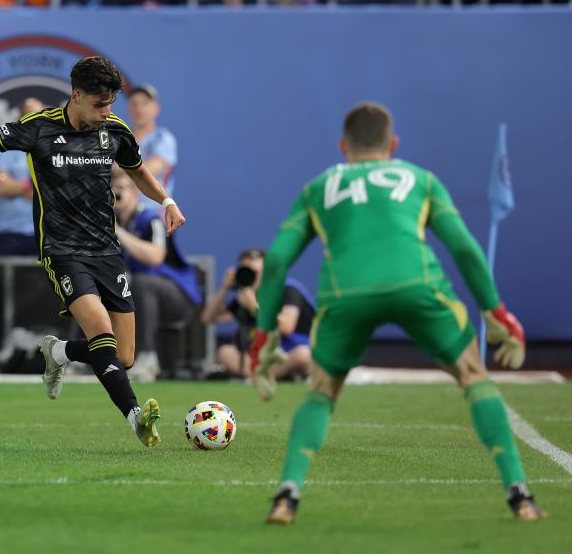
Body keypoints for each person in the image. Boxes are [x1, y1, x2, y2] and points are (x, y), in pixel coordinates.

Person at [252, 102, 545, 524]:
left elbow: (277, 261)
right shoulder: (420, 179)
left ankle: (286, 497)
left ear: (342, 146)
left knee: (321, 391)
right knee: (473, 376)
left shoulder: (320, 186)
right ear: (393, 144)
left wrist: (264, 335)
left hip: (346, 294)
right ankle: (521, 497)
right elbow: (464, 248)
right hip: (418, 286)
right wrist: (495, 310)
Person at [0, 56, 186, 448]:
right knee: (101, 331)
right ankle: (135, 417)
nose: (106, 112)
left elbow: (138, 171)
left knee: (122, 356)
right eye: (99, 104)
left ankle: (58, 351)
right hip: (61, 249)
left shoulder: (115, 131)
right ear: (76, 95)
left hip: (106, 251)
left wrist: (166, 200)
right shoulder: (39, 128)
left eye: (111, 103)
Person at [112, 170, 200, 382]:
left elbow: (155, 257)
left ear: (134, 193)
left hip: (178, 296)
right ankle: (91, 358)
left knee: (142, 283)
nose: (115, 193)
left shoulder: (151, 219)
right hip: (139, 292)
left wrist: (118, 233)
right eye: (111, 189)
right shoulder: (113, 221)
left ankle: (148, 357)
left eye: (120, 189)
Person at [201, 248, 313, 382]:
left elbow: (286, 327)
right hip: (259, 359)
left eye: (256, 272)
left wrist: (254, 308)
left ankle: (258, 376)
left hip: (288, 354)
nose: (252, 277)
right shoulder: (245, 295)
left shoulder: (288, 289)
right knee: (225, 352)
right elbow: (208, 318)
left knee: (303, 355)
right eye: (247, 271)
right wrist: (224, 289)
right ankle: (272, 376)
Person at [0, 98, 40, 256]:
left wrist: (15, 185)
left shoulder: (55, 150)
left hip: (45, 234)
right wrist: (31, 187)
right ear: (20, 119)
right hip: (10, 233)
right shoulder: (7, 149)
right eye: (29, 116)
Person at [127, 84, 176, 211]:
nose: (139, 108)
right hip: (120, 217)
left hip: (153, 216)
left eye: (144, 104)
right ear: (128, 108)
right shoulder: (119, 137)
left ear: (156, 109)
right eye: (134, 104)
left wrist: (116, 168)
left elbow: (146, 172)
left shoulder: (164, 138)